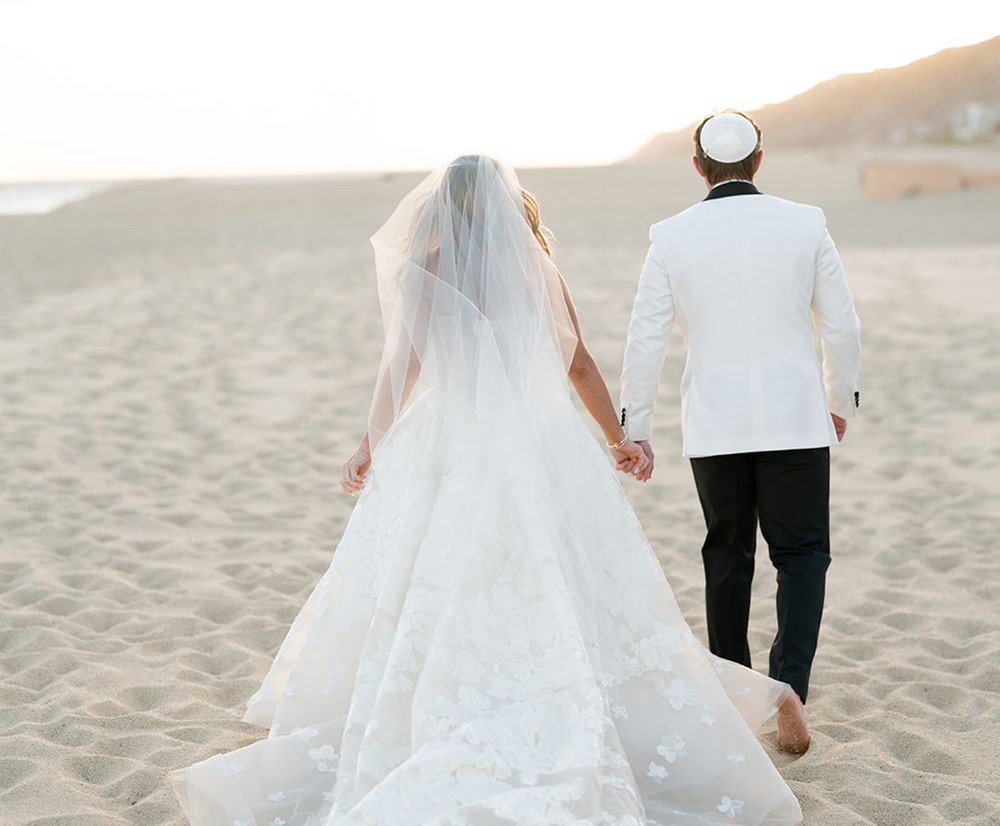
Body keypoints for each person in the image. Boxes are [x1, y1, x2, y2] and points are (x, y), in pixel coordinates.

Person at [171, 154, 803, 825]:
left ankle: (455, 699)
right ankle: (759, 697)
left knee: (437, 583)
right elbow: (579, 362)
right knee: (586, 594)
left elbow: (401, 373)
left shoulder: (428, 272)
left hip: (450, 446)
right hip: (542, 445)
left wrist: (368, 446)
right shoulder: (538, 267)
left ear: (443, 206)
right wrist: (619, 437)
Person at [620, 112, 862, 754]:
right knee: (803, 554)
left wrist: (634, 427)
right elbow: (842, 326)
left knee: (727, 555)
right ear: (760, 162)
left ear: (698, 167)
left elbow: (645, 336)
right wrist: (839, 400)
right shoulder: (806, 221)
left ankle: (735, 693)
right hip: (795, 419)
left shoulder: (670, 235)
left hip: (716, 424)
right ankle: (789, 689)